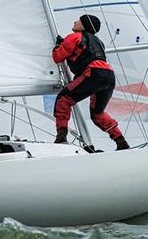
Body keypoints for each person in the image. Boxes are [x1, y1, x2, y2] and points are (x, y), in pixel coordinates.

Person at [53, 14, 130, 151]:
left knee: (63, 99)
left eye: (78, 20)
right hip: (109, 75)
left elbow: (57, 57)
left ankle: (61, 138)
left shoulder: (74, 36)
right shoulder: (99, 42)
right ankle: (121, 141)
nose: (75, 21)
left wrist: (58, 45)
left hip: (93, 73)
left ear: (83, 25)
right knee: (97, 114)